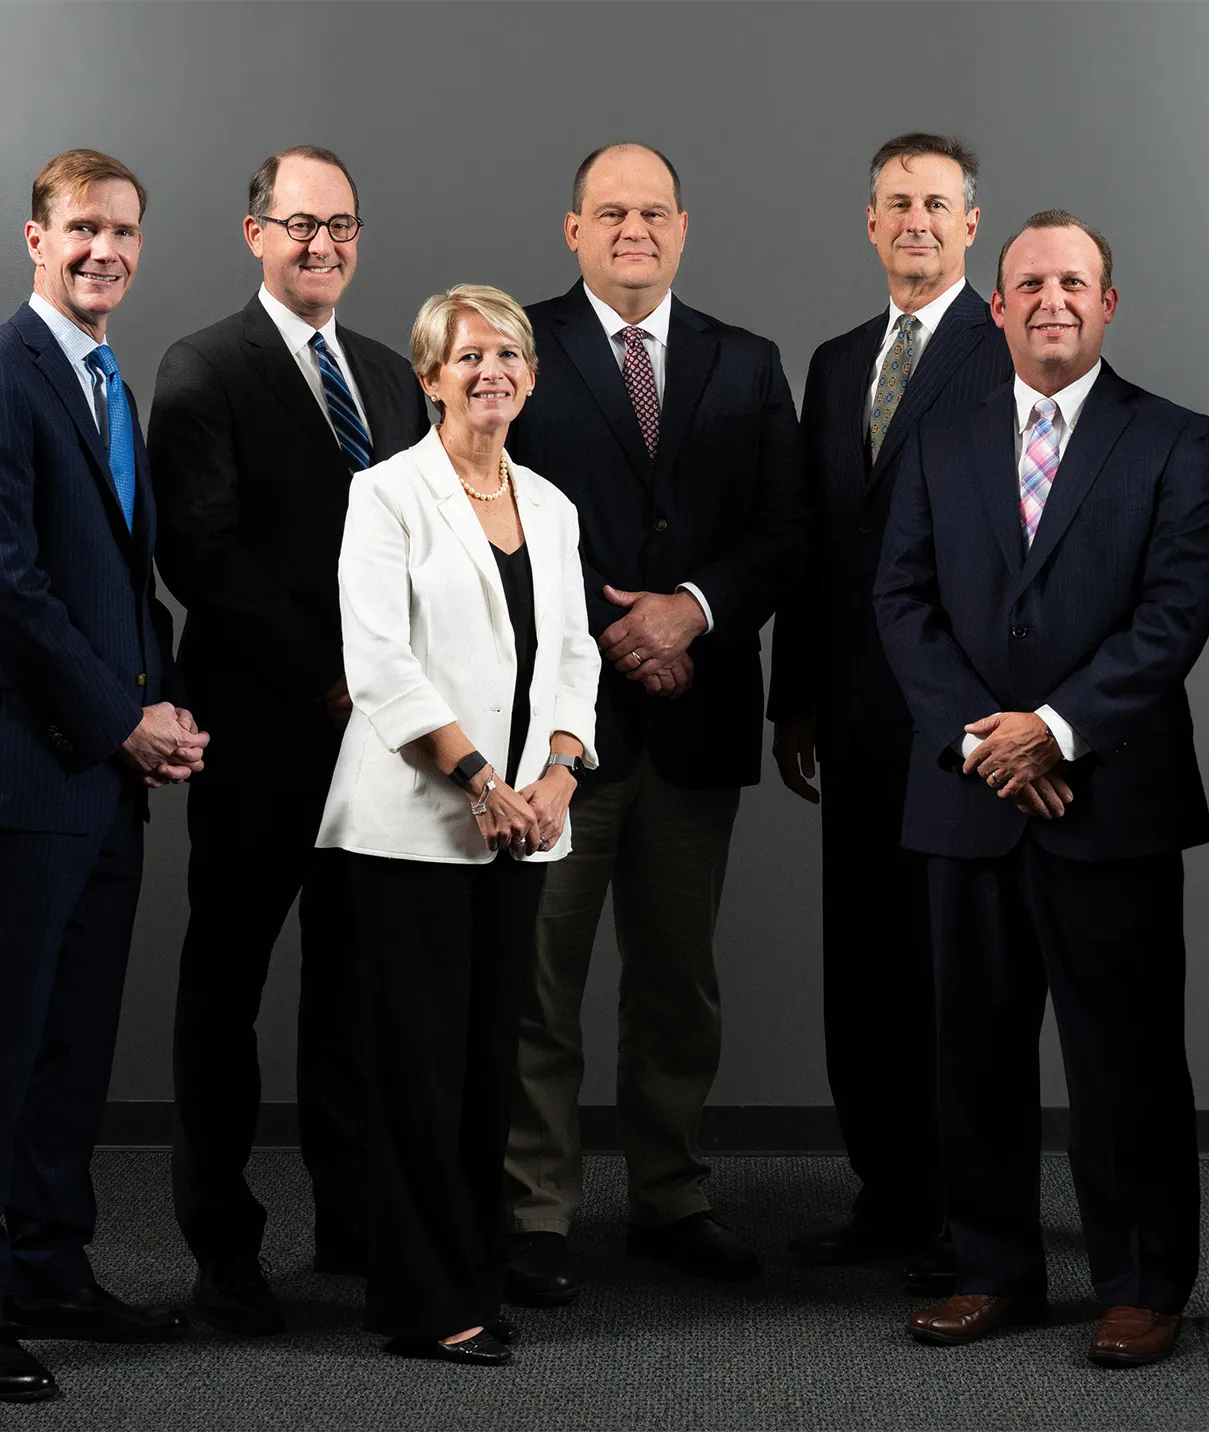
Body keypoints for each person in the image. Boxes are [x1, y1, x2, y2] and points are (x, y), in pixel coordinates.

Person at [874, 211, 1209, 1367]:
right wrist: (988, 743)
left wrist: (1055, 730)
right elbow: (901, 604)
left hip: (1109, 802)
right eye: (1028, 285)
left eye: (1072, 283)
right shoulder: (940, 440)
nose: (1049, 302)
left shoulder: (1171, 439)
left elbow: (1173, 615)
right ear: (997, 306)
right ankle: (992, 1271)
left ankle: (1139, 1283)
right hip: (968, 796)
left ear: (1107, 302)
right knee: (969, 1050)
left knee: (1122, 1056)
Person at [0, 149, 203, 1403]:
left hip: (105, 773)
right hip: (22, 776)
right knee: (2, 1048)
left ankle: (49, 1267)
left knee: (74, 1042)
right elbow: (5, 601)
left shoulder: (105, 383)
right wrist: (122, 721)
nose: (105, 251)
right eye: (82, 228)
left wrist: (164, 698)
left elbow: (115, 585)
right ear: (34, 237)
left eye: (124, 231)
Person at [502, 142, 804, 1303]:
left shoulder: (746, 360)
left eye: (654, 212)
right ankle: (532, 1211)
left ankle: (671, 1196)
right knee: (540, 978)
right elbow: (488, 513)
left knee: (676, 977)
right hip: (555, 735)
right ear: (570, 228)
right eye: (610, 211)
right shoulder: (516, 348)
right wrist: (618, 632)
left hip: (697, 718)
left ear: (683, 228)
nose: (634, 229)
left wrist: (692, 611)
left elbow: (786, 527)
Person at [148, 145, 430, 1331]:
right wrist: (332, 672)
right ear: (253, 231)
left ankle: (354, 1222)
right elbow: (199, 555)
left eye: (343, 226)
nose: (323, 246)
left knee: (352, 988)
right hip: (262, 731)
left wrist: (389, 689)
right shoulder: (203, 366)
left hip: (375, 739)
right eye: (299, 224)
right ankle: (223, 1248)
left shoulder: (384, 371)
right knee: (226, 988)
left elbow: (421, 543)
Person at [317, 284, 601, 1366]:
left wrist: (555, 781)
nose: (493, 371)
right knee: (418, 1069)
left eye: (510, 355)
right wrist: (482, 780)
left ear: (530, 376)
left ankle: (473, 1269)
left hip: (526, 820)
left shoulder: (553, 505)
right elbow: (378, 663)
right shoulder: (384, 495)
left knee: (491, 1059)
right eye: (468, 356)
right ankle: (421, 1299)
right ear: (428, 376)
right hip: (413, 827)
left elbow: (572, 657)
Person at [768, 134, 1010, 1285]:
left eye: (936, 203)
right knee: (861, 965)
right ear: (868, 223)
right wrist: (795, 700)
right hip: (853, 723)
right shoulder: (834, 361)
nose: (915, 219)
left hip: (960, 722)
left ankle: (972, 1218)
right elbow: (818, 548)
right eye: (895, 202)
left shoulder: (1008, 347)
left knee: (956, 972)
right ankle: (887, 1195)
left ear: (971, 224)